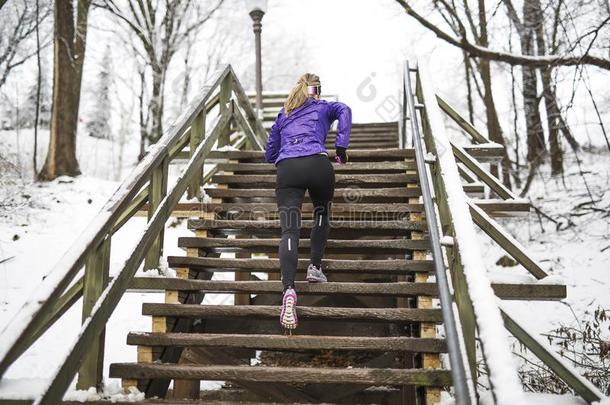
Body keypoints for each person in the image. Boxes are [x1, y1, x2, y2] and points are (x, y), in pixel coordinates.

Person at [264, 73, 352, 331]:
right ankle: (314, 267)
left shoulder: (284, 113)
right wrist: (341, 146)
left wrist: (285, 156)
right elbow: (345, 109)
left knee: (289, 230)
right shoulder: (325, 107)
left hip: (288, 169)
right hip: (319, 164)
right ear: (317, 91)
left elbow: (270, 152)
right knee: (321, 212)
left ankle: (289, 290)